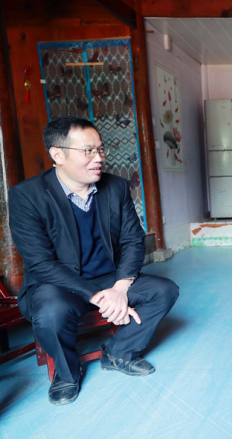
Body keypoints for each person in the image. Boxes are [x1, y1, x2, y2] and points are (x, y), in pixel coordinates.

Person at [8, 116, 179, 405]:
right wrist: (100, 297)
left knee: (165, 290)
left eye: (100, 149)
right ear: (57, 154)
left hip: (109, 278)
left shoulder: (116, 187)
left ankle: (118, 353)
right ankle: (67, 373)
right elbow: (41, 264)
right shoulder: (27, 196)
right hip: (58, 285)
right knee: (50, 312)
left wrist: (120, 288)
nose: (98, 158)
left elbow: (132, 241)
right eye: (88, 151)